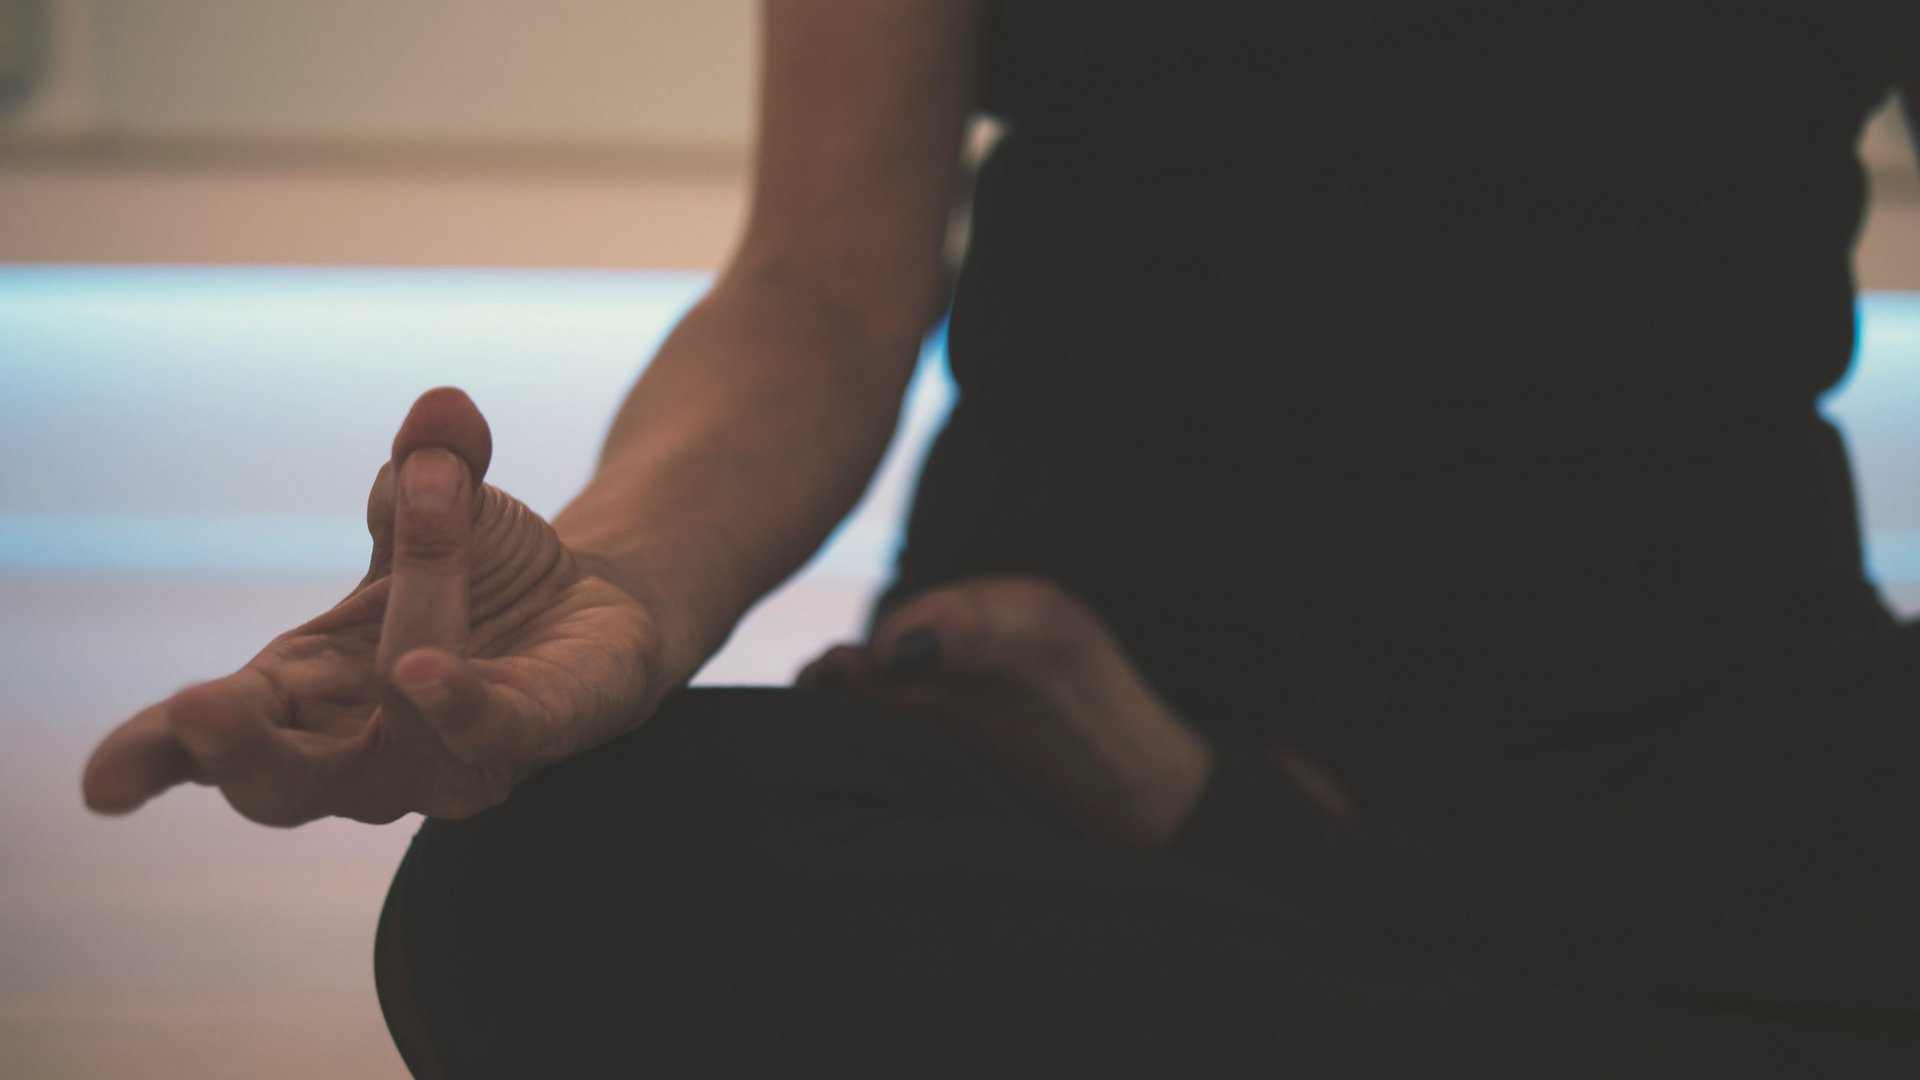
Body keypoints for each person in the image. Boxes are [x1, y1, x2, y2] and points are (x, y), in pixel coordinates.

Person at [82, 2, 1920, 1075]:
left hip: (1714, 740)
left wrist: (1234, 845)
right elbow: (819, 276)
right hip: (1031, 721)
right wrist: (625, 593)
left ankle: (1239, 839)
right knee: (552, 901)